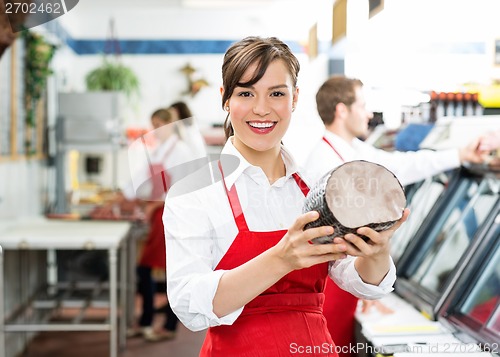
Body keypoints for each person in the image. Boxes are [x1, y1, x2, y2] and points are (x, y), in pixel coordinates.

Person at [163, 36, 409, 356]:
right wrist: (281, 259)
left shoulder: (313, 187)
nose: (262, 108)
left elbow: (354, 279)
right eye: (246, 93)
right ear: (225, 99)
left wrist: (375, 252)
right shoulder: (194, 194)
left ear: (294, 98)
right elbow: (188, 305)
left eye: (276, 93)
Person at [304, 75, 490, 357]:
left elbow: (401, 166)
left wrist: (460, 154)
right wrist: (362, 283)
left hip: (345, 286)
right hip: (331, 290)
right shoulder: (328, 165)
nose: (369, 113)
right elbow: (332, 245)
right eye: (363, 105)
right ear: (342, 110)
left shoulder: (351, 150)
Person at [124, 108, 193, 342]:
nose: (155, 130)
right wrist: (128, 195)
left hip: (173, 214)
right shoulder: (160, 150)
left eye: (158, 125)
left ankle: (166, 325)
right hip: (158, 213)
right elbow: (144, 178)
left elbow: (183, 187)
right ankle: (146, 321)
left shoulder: (181, 151)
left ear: (169, 124)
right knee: (151, 268)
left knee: (165, 270)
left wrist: (154, 204)